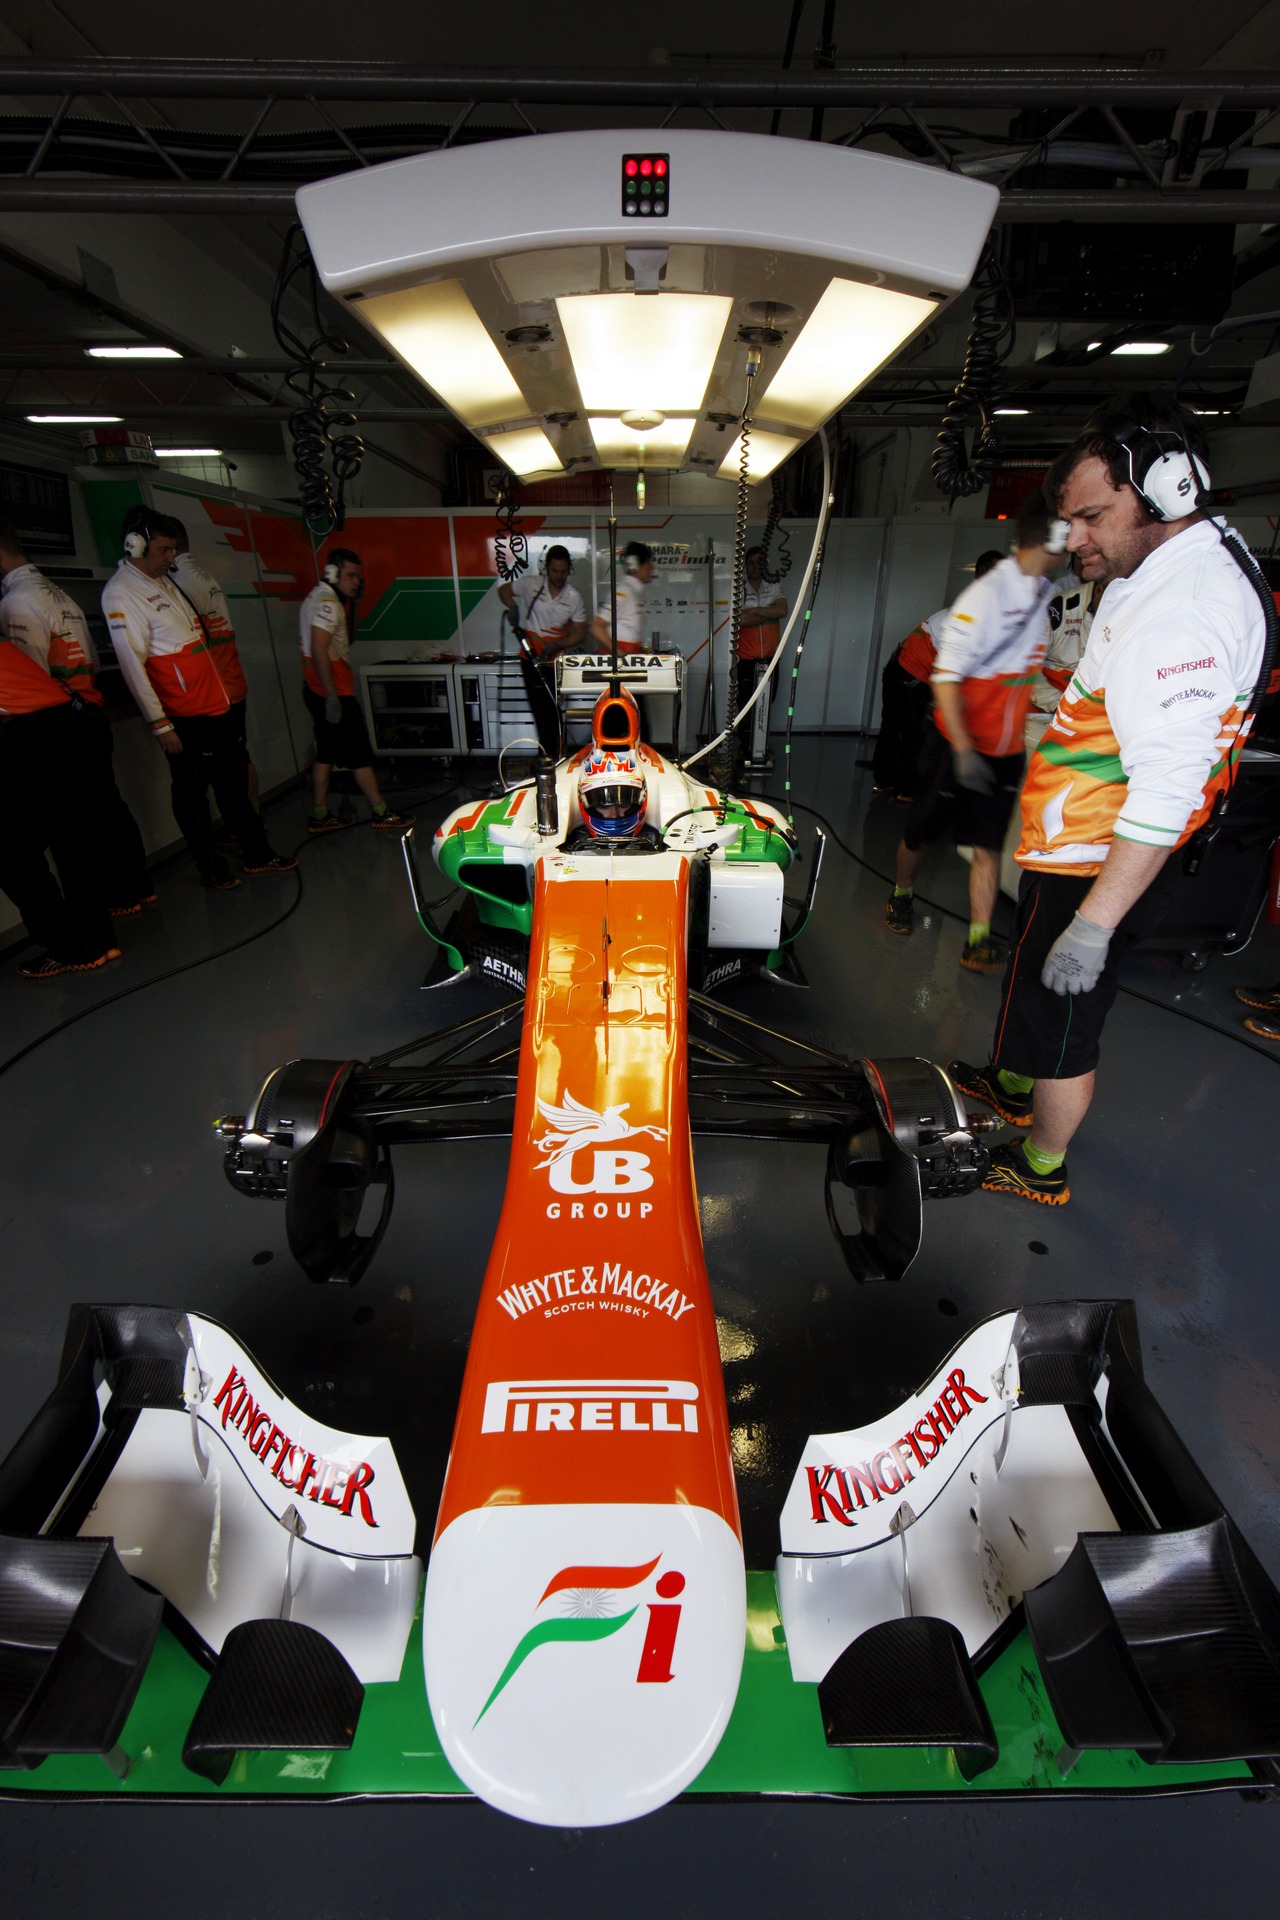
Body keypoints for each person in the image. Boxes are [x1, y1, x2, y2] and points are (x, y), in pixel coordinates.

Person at [951, 397, 1267, 1205]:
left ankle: (1039, 1165)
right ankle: (1013, 1086)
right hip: (1078, 849)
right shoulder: (1158, 571)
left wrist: (1093, 926)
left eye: (1093, 516)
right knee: (1035, 996)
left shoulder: (1183, 616)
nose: (1075, 539)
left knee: (1065, 1025)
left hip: (1103, 867)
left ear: (1168, 493)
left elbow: (1169, 789)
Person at [885, 496, 1065, 971]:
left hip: (1004, 751)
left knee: (986, 845)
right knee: (921, 834)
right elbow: (944, 678)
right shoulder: (984, 598)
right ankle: (901, 894)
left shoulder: (1044, 595)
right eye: (1067, 538)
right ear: (1046, 541)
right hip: (954, 745)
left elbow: (1028, 674)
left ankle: (978, 940)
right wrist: (963, 751)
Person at [102, 511, 295, 888]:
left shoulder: (164, 582)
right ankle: (210, 868)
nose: (170, 558)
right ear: (135, 545)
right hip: (184, 716)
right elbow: (131, 666)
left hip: (215, 705)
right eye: (163, 549)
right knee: (191, 795)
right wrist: (161, 724)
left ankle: (256, 853)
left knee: (232, 781)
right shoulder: (122, 593)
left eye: (173, 549)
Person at [0, 518, 152, 917]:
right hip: (91, 712)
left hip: (61, 725)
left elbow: (31, 686)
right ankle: (135, 888)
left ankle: (108, 905)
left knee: (77, 824)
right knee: (107, 805)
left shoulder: (17, 602)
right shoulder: (57, 594)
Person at [0, 633, 119, 978]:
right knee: (73, 839)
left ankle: (70, 948)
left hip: (20, 734)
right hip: (63, 722)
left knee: (14, 854)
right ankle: (100, 940)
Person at [872, 550, 1003, 802]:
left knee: (897, 726)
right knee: (908, 732)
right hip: (908, 673)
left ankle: (887, 779)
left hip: (908, 670)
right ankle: (906, 788)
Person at [299, 547, 413, 834]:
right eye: (350, 576)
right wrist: (333, 697)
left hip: (319, 691)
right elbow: (319, 648)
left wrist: (356, 605)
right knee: (359, 753)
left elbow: (345, 640)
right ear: (333, 573)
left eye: (358, 577)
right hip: (333, 692)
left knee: (325, 753)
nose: (356, 582)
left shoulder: (323, 598)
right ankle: (380, 811)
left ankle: (320, 814)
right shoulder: (327, 603)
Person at [166, 514, 259, 807]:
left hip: (216, 694)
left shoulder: (178, 583)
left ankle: (245, 825)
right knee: (238, 759)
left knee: (225, 769)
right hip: (232, 684)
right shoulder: (204, 576)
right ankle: (251, 821)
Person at [498, 543, 586, 759]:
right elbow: (504, 590)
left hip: (556, 663)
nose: (559, 576)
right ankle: (547, 759)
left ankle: (552, 758)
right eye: (555, 571)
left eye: (563, 572)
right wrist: (513, 607)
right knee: (542, 713)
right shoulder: (531, 586)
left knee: (554, 712)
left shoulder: (573, 597)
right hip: (530, 659)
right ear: (546, 568)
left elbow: (580, 633)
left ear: (569, 570)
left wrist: (558, 644)